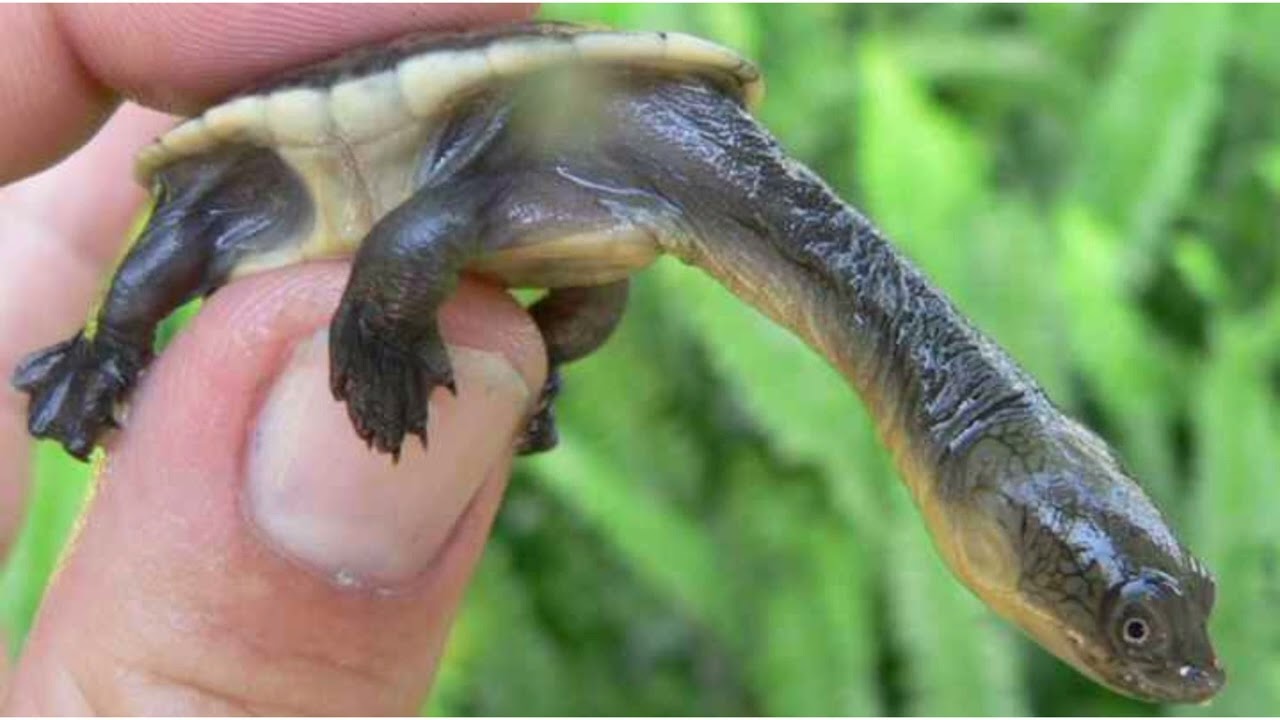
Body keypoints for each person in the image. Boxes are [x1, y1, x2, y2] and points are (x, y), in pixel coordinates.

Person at [0, 5, 545, 713]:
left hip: (410, 178)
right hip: (270, 166)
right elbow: (425, 233)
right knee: (163, 262)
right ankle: (102, 357)